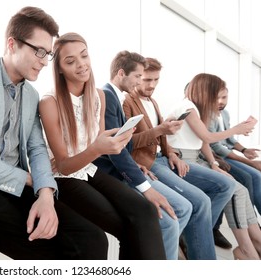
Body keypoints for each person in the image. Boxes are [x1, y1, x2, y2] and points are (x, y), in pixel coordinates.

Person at [0, 7, 108, 260]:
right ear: (12, 44)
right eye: (39, 51)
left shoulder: (31, 95)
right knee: (49, 248)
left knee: (93, 237)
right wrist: (30, 181)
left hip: (17, 187)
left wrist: (45, 194)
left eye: (48, 54)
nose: (44, 60)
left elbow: (37, 148)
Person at [40, 32, 166, 260]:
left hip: (90, 168)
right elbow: (64, 166)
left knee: (145, 211)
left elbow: (99, 145)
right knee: (126, 224)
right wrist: (99, 148)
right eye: (70, 61)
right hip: (63, 178)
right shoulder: (49, 102)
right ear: (59, 69)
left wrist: (117, 145)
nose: (81, 65)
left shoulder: (98, 95)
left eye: (84, 56)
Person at [123, 57, 236, 260]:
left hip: (165, 159)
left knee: (217, 190)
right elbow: (126, 142)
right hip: (150, 164)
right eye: (146, 79)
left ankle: (200, 253)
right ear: (137, 77)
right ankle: (190, 247)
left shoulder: (152, 102)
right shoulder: (128, 101)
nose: (151, 85)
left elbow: (162, 136)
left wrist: (172, 153)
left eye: (155, 80)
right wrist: (160, 131)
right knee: (196, 203)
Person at [93, 50, 192, 260]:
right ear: (121, 73)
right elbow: (113, 150)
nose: (140, 82)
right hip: (113, 174)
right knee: (171, 220)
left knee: (179, 212)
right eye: (138, 76)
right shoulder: (108, 97)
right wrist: (144, 185)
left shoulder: (114, 97)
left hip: (130, 167)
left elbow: (120, 147)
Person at [166, 73, 260, 259]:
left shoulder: (196, 108)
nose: (219, 100)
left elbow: (203, 143)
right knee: (233, 188)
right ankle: (245, 248)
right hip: (182, 158)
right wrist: (237, 129)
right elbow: (207, 138)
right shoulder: (188, 108)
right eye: (217, 95)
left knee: (240, 190)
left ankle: (252, 242)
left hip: (194, 158)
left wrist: (214, 163)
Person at [209, 88, 261, 214]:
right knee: (249, 177)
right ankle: (251, 220)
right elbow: (216, 146)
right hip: (215, 156)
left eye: (224, 97)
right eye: (217, 98)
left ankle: (253, 220)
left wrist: (244, 150)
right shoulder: (208, 116)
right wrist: (250, 163)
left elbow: (228, 138)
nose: (221, 101)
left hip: (225, 154)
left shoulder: (225, 113)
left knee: (257, 176)